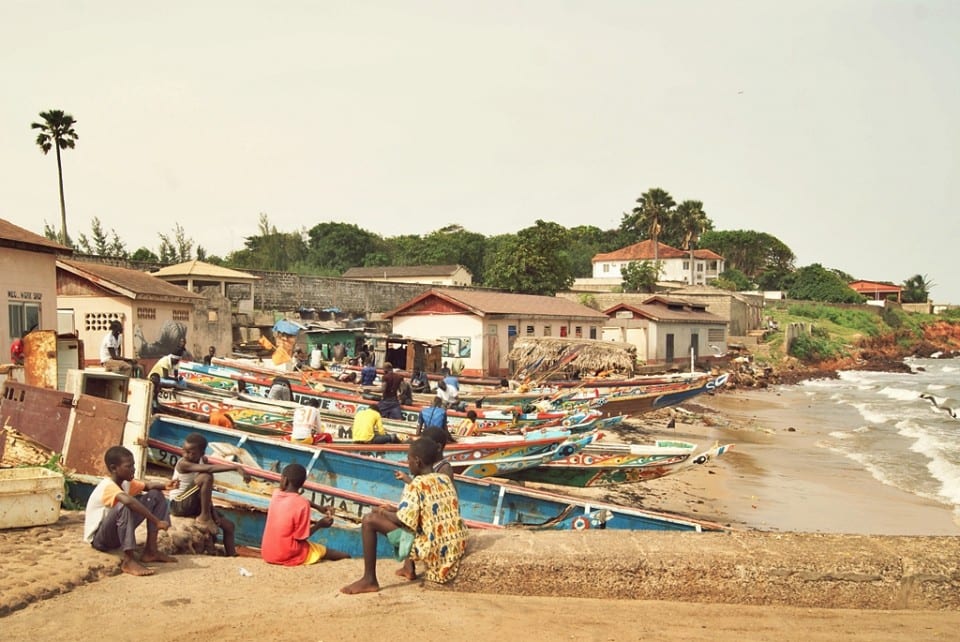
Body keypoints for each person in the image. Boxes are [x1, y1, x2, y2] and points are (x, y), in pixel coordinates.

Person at [340, 437, 467, 594]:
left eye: (408, 459)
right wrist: (393, 510)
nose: (408, 463)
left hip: (433, 547)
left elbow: (401, 519)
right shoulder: (444, 479)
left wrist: (382, 512)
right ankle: (408, 568)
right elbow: (423, 512)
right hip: (456, 543)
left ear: (417, 461)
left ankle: (369, 579)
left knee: (369, 520)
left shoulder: (416, 484)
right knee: (409, 521)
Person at [83, 445, 177, 576]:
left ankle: (151, 551)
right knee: (124, 505)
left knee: (156, 494)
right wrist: (157, 521)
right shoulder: (108, 486)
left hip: (116, 534)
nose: (133, 469)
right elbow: (128, 501)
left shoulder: (126, 482)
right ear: (114, 468)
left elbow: (147, 485)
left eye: (133, 465)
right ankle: (128, 561)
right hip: (101, 540)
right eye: (129, 466)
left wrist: (165, 485)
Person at [168, 432, 247, 555]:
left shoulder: (202, 460)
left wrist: (213, 513)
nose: (186, 455)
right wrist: (235, 467)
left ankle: (232, 554)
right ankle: (204, 517)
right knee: (206, 476)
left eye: (191, 453)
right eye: (184, 451)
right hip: (178, 504)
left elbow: (206, 492)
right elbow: (209, 471)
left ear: (202, 453)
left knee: (229, 526)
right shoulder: (183, 463)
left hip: (193, 503)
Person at [262, 463, 350, 566]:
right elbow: (301, 538)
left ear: (285, 480)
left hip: (268, 553)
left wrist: (318, 507)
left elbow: (295, 498)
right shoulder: (302, 504)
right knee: (327, 552)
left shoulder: (276, 494)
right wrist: (319, 525)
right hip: (287, 554)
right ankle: (347, 557)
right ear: (302, 483)